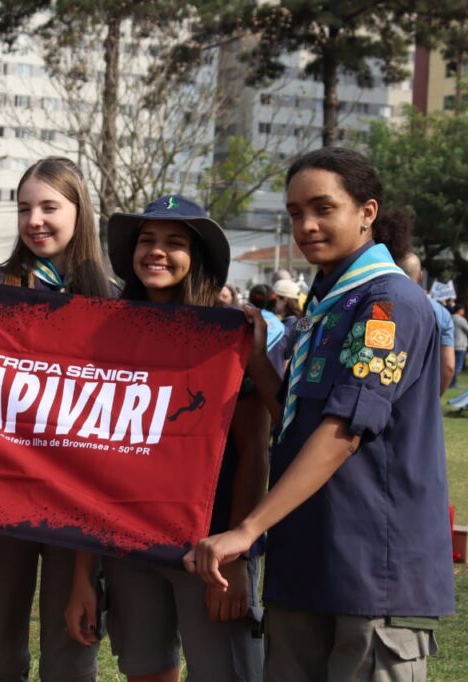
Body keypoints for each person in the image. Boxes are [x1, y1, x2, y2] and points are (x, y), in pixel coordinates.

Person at [185, 148, 455, 681]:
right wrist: (259, 359)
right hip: (306, 565)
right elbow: (296, 419)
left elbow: (343, 433)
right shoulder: (326, 307)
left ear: (367, 212)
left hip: (371, 577)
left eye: (322, 208)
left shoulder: (387, 305)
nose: (306, 226)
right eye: (293, 212)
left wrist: (247, 529)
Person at [65, 195, 271, 682]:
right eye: (147, 241)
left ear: (197, 258)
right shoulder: (104, 335)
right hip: (128, 547)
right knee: (147, 672)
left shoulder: (229, 336)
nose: (157, 252)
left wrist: (238, 557)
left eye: (174, 243)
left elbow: (254, 455)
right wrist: (82, 573)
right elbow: (90, 461)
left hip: (211, 549)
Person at [0, 157, 114, 682]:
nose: (35, 220)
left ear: (80, 213)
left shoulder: (113, 303)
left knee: (72, 652)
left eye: (50, 207)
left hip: (78, 508)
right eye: (25, 208)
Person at [397, 253, 455, 393]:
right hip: (422, 397)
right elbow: (448, 367)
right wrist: (435, 399)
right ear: (421, 275)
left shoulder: (381, 305)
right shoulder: (442, 314)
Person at [453, 304, 468, 387]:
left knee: (453, 364)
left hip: (452, 344)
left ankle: (451, 382)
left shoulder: (450, 317)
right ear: (459, 310)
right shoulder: (461, 320)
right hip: (461, 345)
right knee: (458, 366)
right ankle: (453, 383)